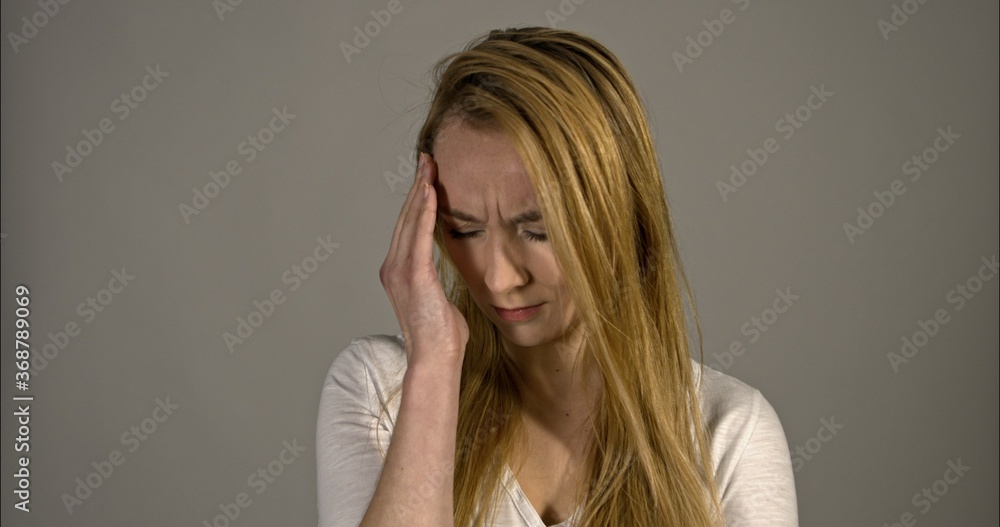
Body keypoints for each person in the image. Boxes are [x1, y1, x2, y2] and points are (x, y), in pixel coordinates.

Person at [317, 26, 798, 527]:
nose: (499, 279)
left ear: (623, 216)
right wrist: (435, 365)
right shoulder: (383, 390)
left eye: (539, 231)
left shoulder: (729, 433)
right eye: (465, 231)